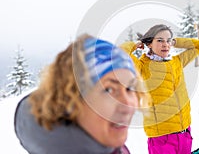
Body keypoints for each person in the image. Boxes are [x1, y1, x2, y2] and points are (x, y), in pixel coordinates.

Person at [14, 34, 149, 154]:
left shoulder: (106, 144)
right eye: (109, 90)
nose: (127, 104)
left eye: (130, 88)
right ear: (70, 99)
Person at [120, 24, 199, 154]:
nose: (165, 44)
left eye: (168, 40)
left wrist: (176, 42)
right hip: (162, 137)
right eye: (160, 40)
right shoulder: (142, 67)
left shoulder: (177, 61)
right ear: (149, 43)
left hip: (184, 133)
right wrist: (135, 44)